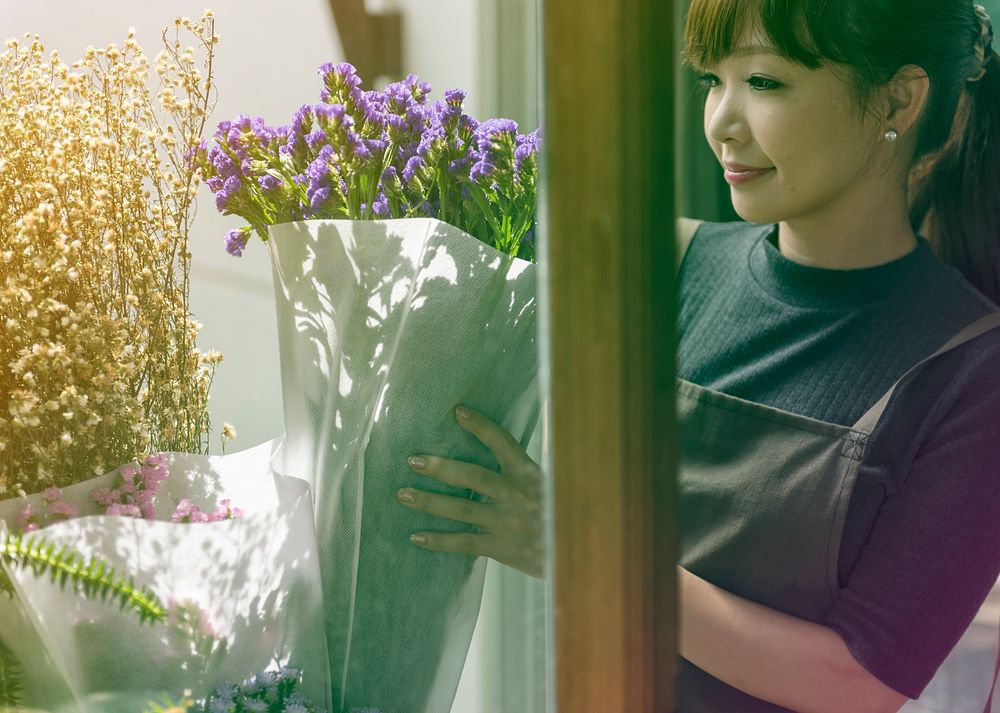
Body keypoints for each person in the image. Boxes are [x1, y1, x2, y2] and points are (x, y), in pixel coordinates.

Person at [395, 0, 1000, 710]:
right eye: (714, 80)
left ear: (899, 96)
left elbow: (861, 682)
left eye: (766, 82)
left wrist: (589, 559)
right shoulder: (667, 261)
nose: (721, 121)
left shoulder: (971, 369)